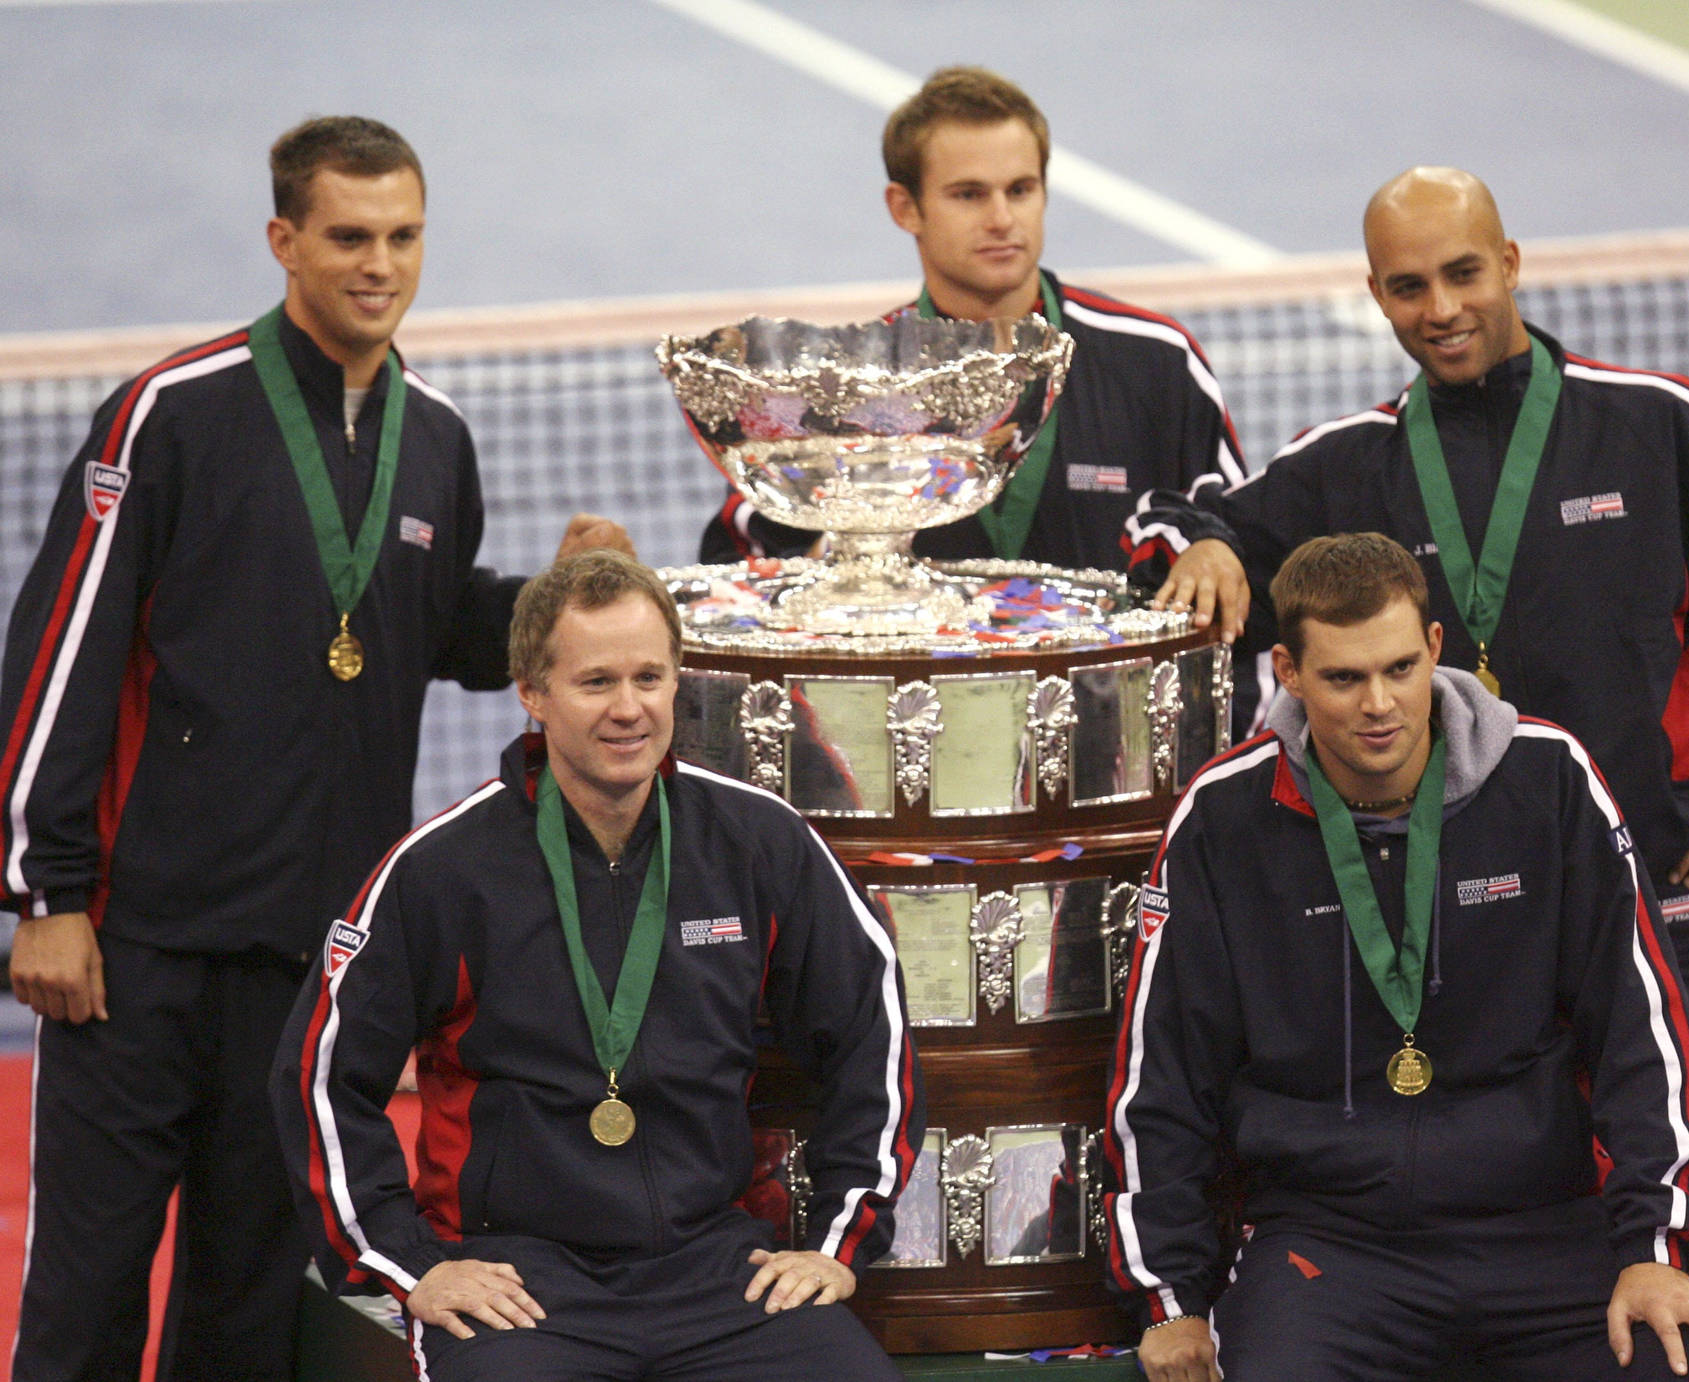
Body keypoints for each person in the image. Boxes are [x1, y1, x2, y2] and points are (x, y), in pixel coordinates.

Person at [1131, 167, 1689, 1302]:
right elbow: (1190, 524)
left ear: (1514, 262)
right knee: (1495, 1219)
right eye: (1408, 285)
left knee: (1679, 1211)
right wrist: (1209, 546)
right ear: (1377, 297)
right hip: (1458, 909)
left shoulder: (1652, 427)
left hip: (1658, 879)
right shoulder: (1355, 463)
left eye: (1464, 272)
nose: (1440, 306)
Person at [2, 116, 630, 1380]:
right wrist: (45, 893)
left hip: (308, 953)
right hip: (140, 944)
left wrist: (550, 602)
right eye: (348, 235)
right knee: (88, 1287)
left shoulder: (435, 438)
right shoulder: (169, 414)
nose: (378, 264)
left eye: (402, 236)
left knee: (245, 1295)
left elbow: (427, 621)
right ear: (284, 238)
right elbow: (59, 646)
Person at [1104, 533, 1689, 1382]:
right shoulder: (1222, 822)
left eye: (1401, 668)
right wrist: (1173, 1300)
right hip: (1326, 1248)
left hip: (1546, 1231)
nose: (1380, 704)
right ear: (1288, 673)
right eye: (1343, 678)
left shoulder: (1548, 780)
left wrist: (1658, 1250)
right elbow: (1163, 1078)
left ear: (1436, 650)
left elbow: (1648, 1034)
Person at [272, 550, 921, 1380]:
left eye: (649, 678)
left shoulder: (759, 842)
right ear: (532, 693)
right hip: (521, 1283)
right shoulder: (443, 869)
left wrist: (837, 1243)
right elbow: (319, 1075)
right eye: (595, 683)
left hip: (716, 1270)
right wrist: (411, 1263)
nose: (629, 710)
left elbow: (876, 1032)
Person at [699, 64, 1244, 572]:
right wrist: (836, 554)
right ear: (904, 208)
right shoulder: (843, 390)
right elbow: (739, 564)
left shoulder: (1156, 361)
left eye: (1021, 190)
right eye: (969, 195)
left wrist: (1214, 544)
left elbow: (1238, 532)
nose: (1003, 219)